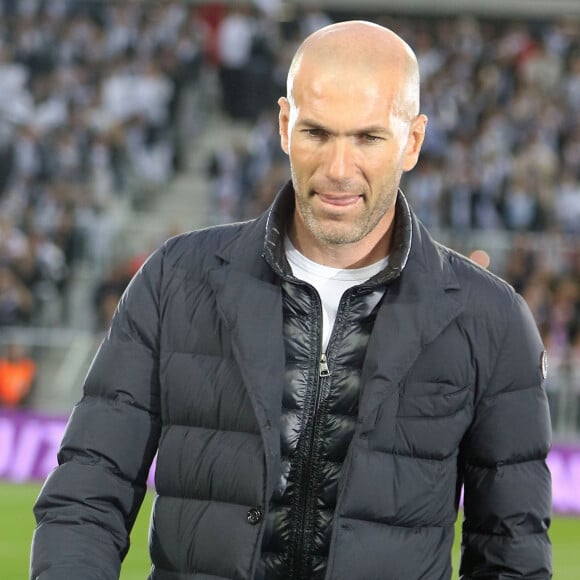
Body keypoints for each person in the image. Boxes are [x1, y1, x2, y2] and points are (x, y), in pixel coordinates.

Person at [30, 20, 552, 580]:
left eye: (368, 138)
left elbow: (510, 552)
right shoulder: (176, 278)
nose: (337, 169)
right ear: (284, 124)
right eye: (317, 133)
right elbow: (88, 490)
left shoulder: (490, 319)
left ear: (413, 142)